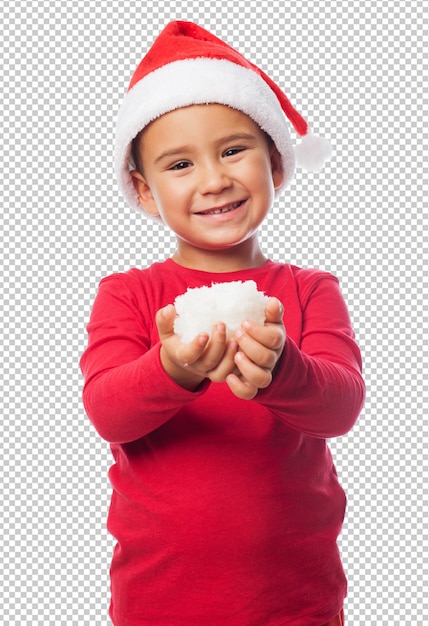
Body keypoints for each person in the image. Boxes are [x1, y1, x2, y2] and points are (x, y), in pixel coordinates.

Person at [80, 21, 365, 626]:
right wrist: (171, 367)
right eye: (179, 164)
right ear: (146, 191)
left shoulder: (310, 291)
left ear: (276, 163)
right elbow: (108, 411)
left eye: (234, 149)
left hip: (296, 602)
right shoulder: (129, 294)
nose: (213, 180)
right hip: (160, 601)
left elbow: (341, 408)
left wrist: (282, 369)